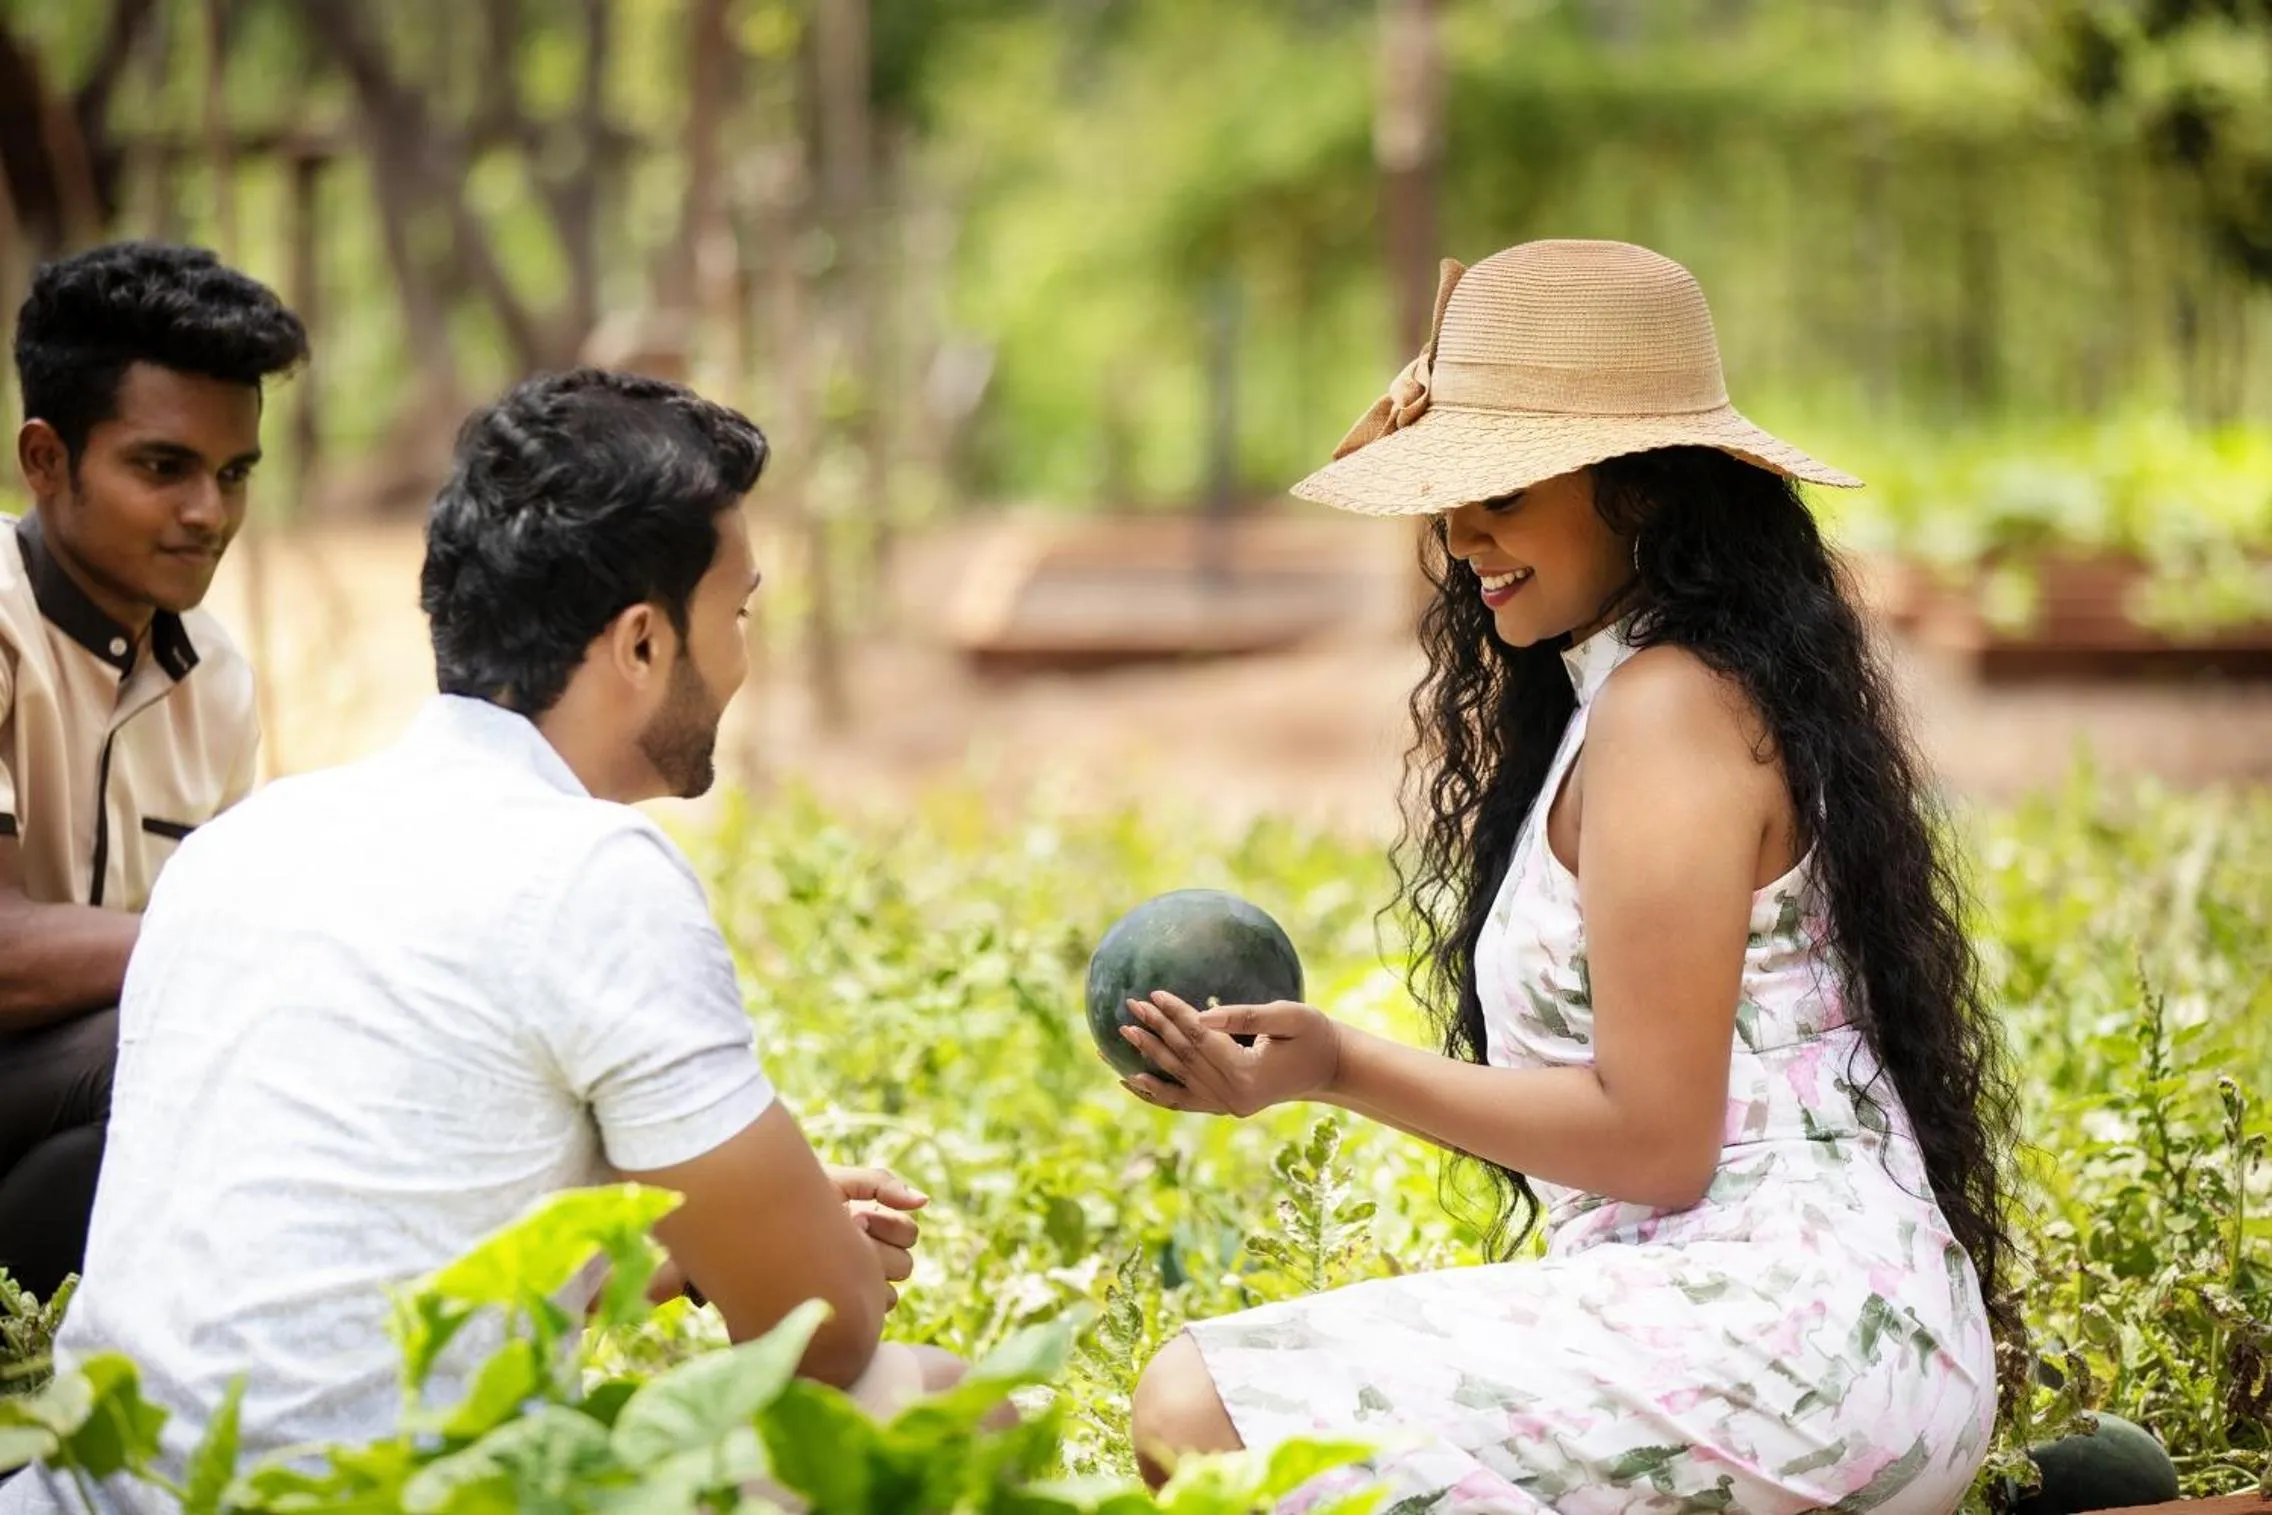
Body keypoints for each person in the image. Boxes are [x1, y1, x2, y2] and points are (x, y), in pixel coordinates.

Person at [1112, 241, 2017, 1514]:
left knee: (1200, 1407)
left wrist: (1335, 1065)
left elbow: (1655, 1142)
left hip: (1792, 1343)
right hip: (1777, 1321)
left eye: (1505, 488)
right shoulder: (1631, 692)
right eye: (1451, 490)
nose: (1460, 531)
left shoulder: (1669, 708)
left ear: (1641, 491)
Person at [1, 370, 957, 1513]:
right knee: (939, 1404)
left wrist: (695, 1251)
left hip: (87, 1495)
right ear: (644, 643)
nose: (744, 658)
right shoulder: (594, 875)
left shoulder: (247, 845)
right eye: (737, 614)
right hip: (378, 1497)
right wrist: (815, 1254)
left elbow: (384, 1252)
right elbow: (825, 1335)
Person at [0, 242, 306, 1300]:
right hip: (69, 1068)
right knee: (212, 1031)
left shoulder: (215, 681)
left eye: (232, 475)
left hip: (64, 1127)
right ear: (46, 460)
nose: (208, 514)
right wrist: (251, 940)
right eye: (162, 467)